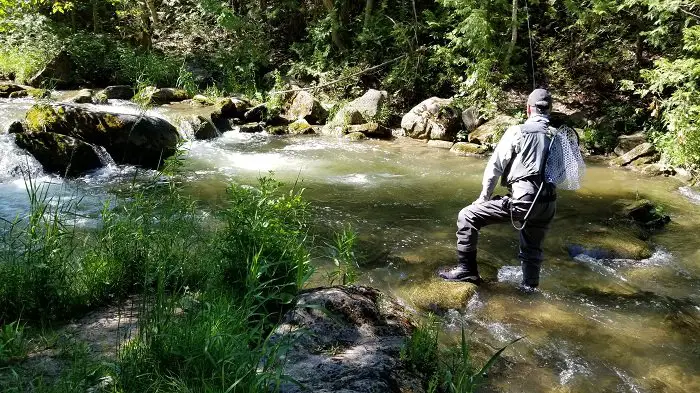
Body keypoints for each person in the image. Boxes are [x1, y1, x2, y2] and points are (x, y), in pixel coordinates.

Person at [439, 88, 558, 290]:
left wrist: (484, 198)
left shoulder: (517, 132)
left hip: (524, 201)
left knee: (467, 216)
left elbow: (495, 167)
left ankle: (467, 271)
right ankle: (530, 289)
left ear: (528, 109)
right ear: (549, 110)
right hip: (548, 203)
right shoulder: (557, 135)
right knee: (532, 248)